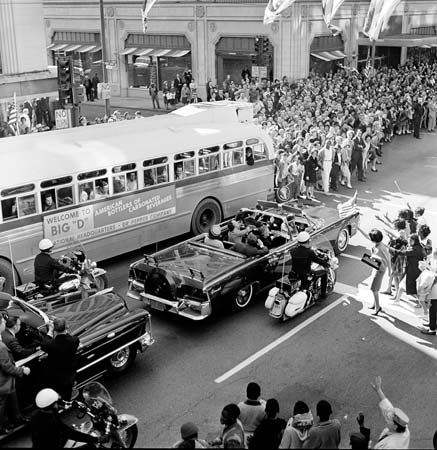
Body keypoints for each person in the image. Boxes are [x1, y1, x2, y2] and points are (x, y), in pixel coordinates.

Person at [31, 388, 104, 448]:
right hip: (58, 445)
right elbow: (71, 433)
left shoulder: (36, 415)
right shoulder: (52, 422)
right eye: (56, 403)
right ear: (52, 406)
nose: (57, 405)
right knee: (90, 447)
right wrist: (96, 439)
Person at [0, 314, 31, 435]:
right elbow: (6, 366)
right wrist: (22, 371)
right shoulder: (1, 346)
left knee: (13, 399)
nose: (4, 323)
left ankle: (17, 418)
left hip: (8, 382)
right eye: (3, 321)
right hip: (3, 383)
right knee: (1, 406)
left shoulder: (2, 339)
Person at [40, 318, 79, 400]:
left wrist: (50, 330)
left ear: (54, 329)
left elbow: (44, 343)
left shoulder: (50, 344)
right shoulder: (74, 340)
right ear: (66, 327)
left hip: (55, 374)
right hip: (69, 372)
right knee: (67, 392)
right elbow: (69, 337)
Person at [356, 227, 390, 315]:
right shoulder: (378, 244)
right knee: (375, 288)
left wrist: (390, 271)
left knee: (374, 289)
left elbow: (387, 259)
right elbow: (366, 236)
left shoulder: (381, 248)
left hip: (380, 270)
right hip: (376, 267)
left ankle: (378, 307)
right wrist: (358, 228)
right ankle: (375, 304)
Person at [371, 376, 410, 449]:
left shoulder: (390, 447)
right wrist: (378, 390)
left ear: (395, 426)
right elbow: (388, 409)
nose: (388, 416)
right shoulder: (403, 428)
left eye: (390, 418)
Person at [289, 231, 329, 298]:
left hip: (294, 273)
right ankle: (323, 294)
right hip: (305, 274)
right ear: (307, 241)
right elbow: (317, 260)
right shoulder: (309, 252)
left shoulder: (293, 250)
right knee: (324, 273)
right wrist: (326, 265)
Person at [390, 233, 426, 306]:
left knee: (412, 289)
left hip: (413, 271)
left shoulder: (414, 249)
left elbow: (402, 253)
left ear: (414, 241)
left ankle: (420, 303)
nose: (409, 242)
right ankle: (397, 300)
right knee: (402, 286)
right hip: (414, 270)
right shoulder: (419, 246)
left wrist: (391, 249)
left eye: (410, 240)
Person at [420, 248, 437, 335]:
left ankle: (432, 329)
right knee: (433, 307)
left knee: (433, 308)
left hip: (435, 289)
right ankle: (433, 324)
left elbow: (435, 275)